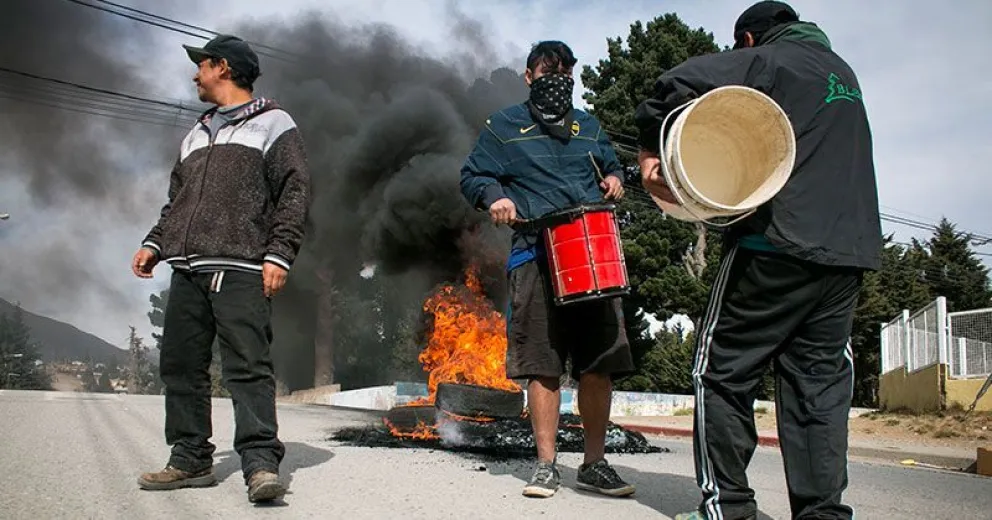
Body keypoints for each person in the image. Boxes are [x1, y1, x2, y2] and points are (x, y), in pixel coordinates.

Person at [633, 2, 881, 519]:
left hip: (774, 245)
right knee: (817, 387)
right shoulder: (845, 75)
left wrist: (651, 154)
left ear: (748, 40)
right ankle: (823, 514)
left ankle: (730, 507)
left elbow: (674, 82)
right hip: (846, 257)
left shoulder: (771, 61)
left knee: (721, 373)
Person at [131, 34, 310, 503]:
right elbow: (178, 199)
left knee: (247, 368)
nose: (196, 73)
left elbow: (294, 192)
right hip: (187, 268)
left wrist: (279, 253)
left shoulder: (274, 123)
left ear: (224, 68)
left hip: (241, 267)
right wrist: (155, 242)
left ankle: (260, 465)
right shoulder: (196, 131)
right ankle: (190, 460)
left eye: (202, 65)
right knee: (180, 367)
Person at [460, 40, 636, 499]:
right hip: (534, 254)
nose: (557, 81)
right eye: (548, 72)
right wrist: (494, 197)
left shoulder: (589, 125)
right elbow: (473, 175)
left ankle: (595, 465)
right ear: (529, 76)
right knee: (543, 366)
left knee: (598, 365)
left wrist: (616, 179)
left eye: (566, 76)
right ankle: (545, 466)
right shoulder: (503, 126)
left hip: (592, 257)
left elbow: (612, 166)